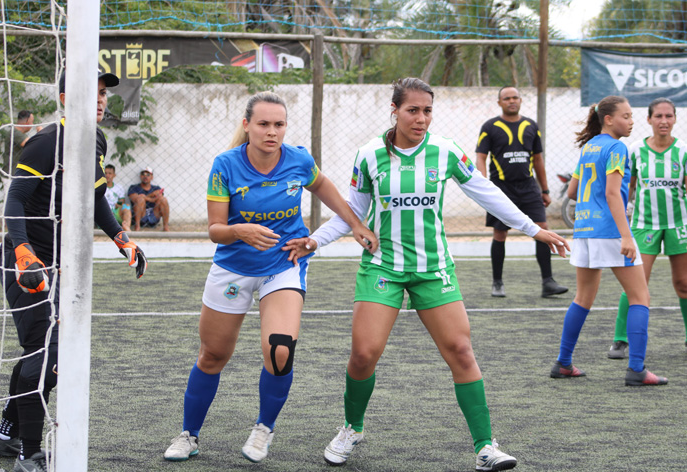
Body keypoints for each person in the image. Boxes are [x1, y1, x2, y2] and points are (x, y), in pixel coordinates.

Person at [283, 78, 569, 471]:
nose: (421, 118)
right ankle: (352, 427)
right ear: (395, 110)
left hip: (434, 270)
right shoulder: (369, 155)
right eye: (412, 110)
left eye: (427, 110)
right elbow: (352, 212)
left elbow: (486, 192)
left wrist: (534, 228)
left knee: (461, 351)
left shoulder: (446, 151)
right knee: (364, 354)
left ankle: (486, 447)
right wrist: (314, 240)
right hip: (383, 266)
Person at [162, 91, 377, 464]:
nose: (271, 132)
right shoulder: (225, 165)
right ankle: (189, 435)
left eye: (278, 124)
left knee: (280, 350)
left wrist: (356, 224)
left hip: (283, 264)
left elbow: (323, 186)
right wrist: (240, 230)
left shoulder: (298, 160)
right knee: (213, 354)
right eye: (263, 124)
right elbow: (215, 229)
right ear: (247, 126)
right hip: (234, 266)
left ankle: (263, 429)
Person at [0, 70, 147, 472]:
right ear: (64, 98)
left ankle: (7, 434)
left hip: (61, 263)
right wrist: (24, 252)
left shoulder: (96, 138)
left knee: (45, 351)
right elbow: (15, 200)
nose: (99, 100)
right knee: (50, 351)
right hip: (22, 260)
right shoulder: (45, 141)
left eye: (102, 94)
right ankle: (29, 452)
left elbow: (95, 199)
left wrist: (121, 238)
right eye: (89, 93)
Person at [549, 95, 667, 387]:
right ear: (609, 119)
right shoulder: (617, 147)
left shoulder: (589, 147)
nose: (631, 121)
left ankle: (563, 363)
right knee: (640, 296)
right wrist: (626, 235)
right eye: (626, 116)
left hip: (584, 229)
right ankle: (637, 369)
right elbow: (615, 194)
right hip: (610, 231)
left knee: (582, 298)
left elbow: (574, 191)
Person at [607, 97, 687, 359]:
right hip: (644, 225)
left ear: (675, 119)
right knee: (636, 282)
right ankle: (621, 339)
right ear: (649, 120)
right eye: (658, 116)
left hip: (679, 225)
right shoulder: (634, 151)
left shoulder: (684, 152)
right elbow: (624, 190)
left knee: (684, 283)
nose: (664, 121)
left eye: (668, 116)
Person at [475, 86, 568, 298]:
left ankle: (548, 282)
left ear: (521, 100)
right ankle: (497, 282)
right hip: (501, 188)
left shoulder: (531, 126)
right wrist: (483, 186)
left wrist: (544, 190)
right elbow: (481, 156)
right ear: (499, 102)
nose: (511, 101)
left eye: (515, 97)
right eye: (506, 98)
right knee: (500, 233)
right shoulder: (490, 126)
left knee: (542, 228)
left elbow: (538, 160)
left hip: (528, 187)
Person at [128, 166, 170, 231]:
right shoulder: (133, 187)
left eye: (148, 175)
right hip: (141, 216)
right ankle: (137, 227)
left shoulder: (156, 188)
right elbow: (135, 199)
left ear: (152, 177)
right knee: (140, 200)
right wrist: (152, 196)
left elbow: (160, 198)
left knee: (163, 199)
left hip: (154, 215)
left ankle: (166, 227)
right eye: (143, 174)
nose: (145, 176)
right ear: (140, 176)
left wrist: (145, 197)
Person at [4, 110, 43, 175]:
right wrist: (41, 133)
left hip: (14, 173)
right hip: (12, 175)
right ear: (27, 121)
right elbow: (32, 145)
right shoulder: (15, 133)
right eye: (32, 122)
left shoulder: (17, 133)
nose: (32, 125)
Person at [104, 163, 132, 231]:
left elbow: (122, 202)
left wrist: (118, 205)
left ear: (114, 175)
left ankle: (126, 226)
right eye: (105, 173)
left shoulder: (119, 187)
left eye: (110, 173)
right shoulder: (99, 187)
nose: (107, 175)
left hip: (115, 211)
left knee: (126, 206)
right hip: (103, 211)